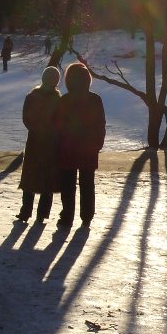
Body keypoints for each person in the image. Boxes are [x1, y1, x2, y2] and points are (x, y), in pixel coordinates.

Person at [55, 62, 106, 228]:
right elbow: (101, 124)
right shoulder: (95, 99)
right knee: (87, 183)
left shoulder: (65, 100)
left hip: (68, 148)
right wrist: (97, 144)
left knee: (68, 184)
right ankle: (87, 216)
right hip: (88, 148)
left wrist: (59, 144)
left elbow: (58, 125)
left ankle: (67, 216)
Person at [17, 66, 62, 223]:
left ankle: (25, 211)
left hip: (35, 140)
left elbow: (26, 118)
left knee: (30, 175)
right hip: (51, 142)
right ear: (56, 81)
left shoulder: (32, 97)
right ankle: (42, 213)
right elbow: (60, 122)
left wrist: (36, 129)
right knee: (47, 178)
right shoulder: (58, 99)